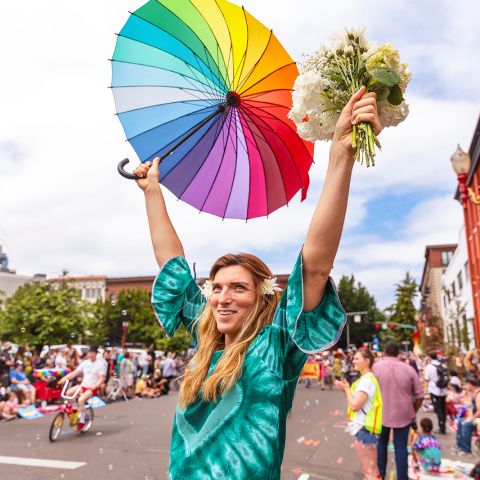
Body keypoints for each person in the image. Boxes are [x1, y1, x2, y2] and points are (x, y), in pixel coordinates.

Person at [133, 86, 381, 479]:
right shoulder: (203, 341)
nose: (222, 297)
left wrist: (341, 156)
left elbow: (314, 266)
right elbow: (172, 265)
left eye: (238, 288)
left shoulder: (275, 346)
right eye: (216, 287)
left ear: (260, 297)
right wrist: (151, 192)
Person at [372, 342, 424, 480]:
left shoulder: (375, 368)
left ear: (384, 352)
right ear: (398, 354)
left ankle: (380, 475)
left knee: (381, 444)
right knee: (401, 448)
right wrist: (414, 410)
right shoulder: (408, 369)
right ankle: (402, 477)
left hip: (380, 414)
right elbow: (420, 395)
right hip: (404, 414)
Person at [336, 349, 382, 480]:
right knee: (372, 469)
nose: (353, 361)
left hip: (365, 430)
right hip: (366, 429)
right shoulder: (367, 379)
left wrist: (346, 389)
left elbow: (355, 405)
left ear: (367, 361)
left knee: (368, 471)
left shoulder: (366, 381)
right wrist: (346, 390)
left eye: (357, 359)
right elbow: (355, 402)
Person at [58, 345, 106, 431]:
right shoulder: (85, 363)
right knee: (68, 393)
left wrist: (95, 386)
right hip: (83, 386)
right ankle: (76, 410)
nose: (90, 355)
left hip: (92, 388)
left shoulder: (100, 364)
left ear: (95, 354)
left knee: (81, 400)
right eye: (89, 353)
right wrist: (64, 378)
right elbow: (75, 372)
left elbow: (102, 378)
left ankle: (82, 422)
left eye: (92, 353)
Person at [453, 375, 480, 455]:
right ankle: (460, 446)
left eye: (466, 384)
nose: (465, 387)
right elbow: (471, 407)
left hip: (478, 419)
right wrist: (470, 417)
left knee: (466, 425)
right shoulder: (473, 393)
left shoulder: (478, 394)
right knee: (461, 422)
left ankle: (466, 449)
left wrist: (472, 418)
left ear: (470, 384)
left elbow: (479, 410)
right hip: (476, 418)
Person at [424, 351, 448, 434]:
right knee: (443, 409)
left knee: (438, 410)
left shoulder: (429, 367)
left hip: (435, 390)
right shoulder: (443, 365)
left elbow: (426, 378)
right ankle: (443, 426)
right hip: (444, 391)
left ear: (430, 357)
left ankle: (441, 428)